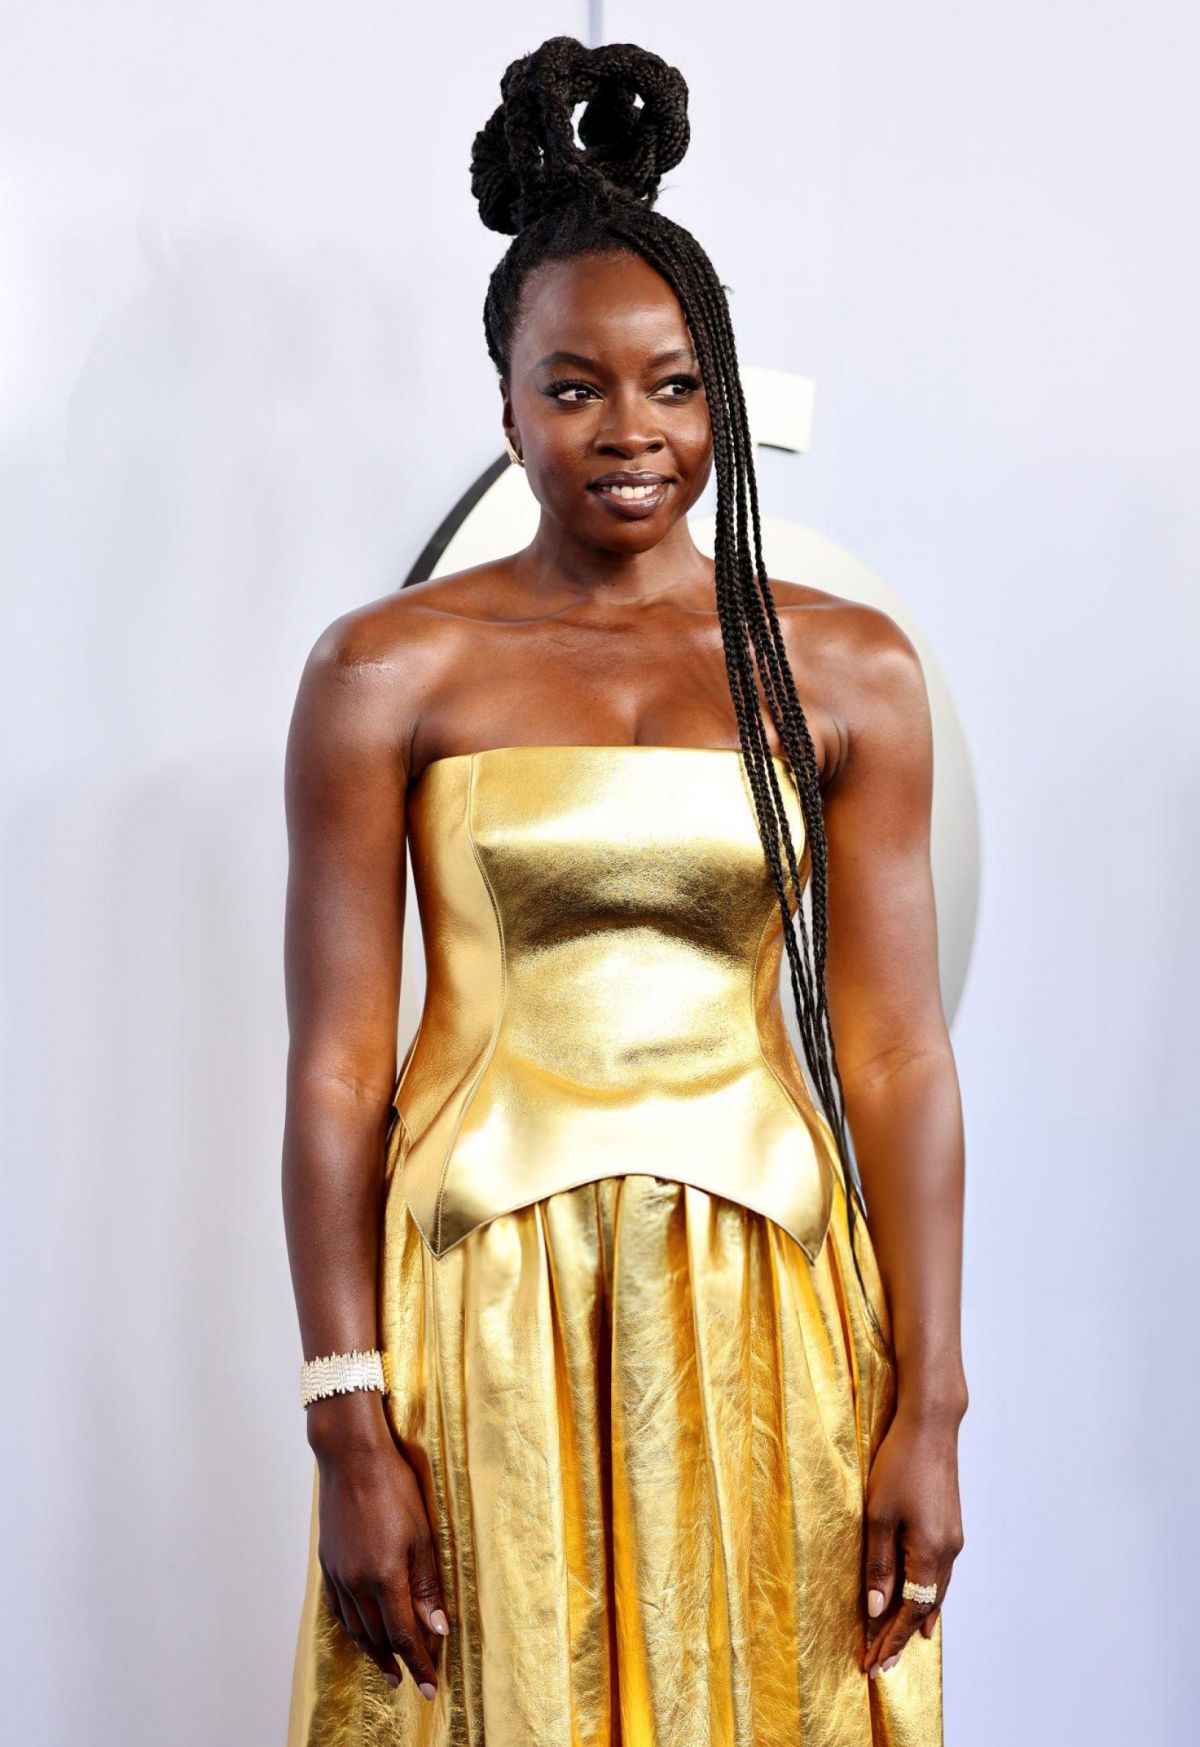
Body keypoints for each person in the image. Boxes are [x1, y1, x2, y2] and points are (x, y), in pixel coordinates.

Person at [283, 34, 966, 1747]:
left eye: (671, 382)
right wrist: (347, 1419)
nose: (629, 429)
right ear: (505, 405)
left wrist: (931, 1398)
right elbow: (330, 1072)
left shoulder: (854, 670)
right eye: (572, 385)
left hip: (771, 1294)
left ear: (722, 395)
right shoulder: (386, 673)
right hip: (484, 1300)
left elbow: (894, 1059)